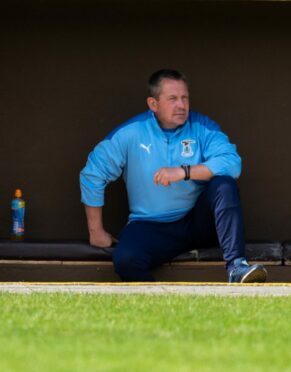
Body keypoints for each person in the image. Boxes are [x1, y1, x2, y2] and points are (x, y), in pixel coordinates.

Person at [80, 69, 267, 283]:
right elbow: (92, 174)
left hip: (198, 223)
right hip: (151, 225)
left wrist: (184, 171)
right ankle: (160, 305)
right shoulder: (132, 132)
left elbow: (233, 164)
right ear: (153, 104)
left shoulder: (202, 126)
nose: (181, 105)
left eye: (184, 98)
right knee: (126, 260)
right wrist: (96, 231)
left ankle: (237, 267)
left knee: (224, 184)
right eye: (172, 99)